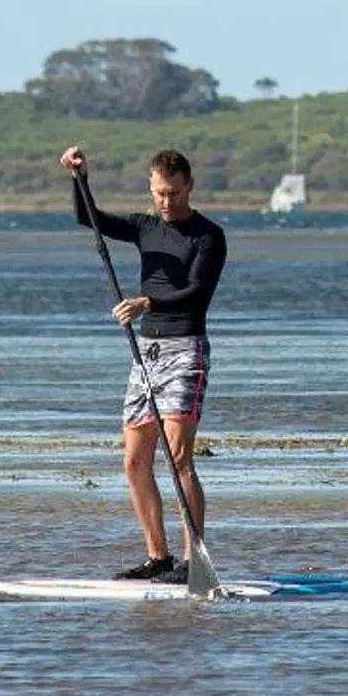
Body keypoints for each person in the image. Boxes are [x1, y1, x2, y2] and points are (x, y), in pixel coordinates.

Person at [61, 145, 228, 583]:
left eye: (173, 193)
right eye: (159, 193)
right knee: (135, 461)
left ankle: (195, 561)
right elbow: (89, 218)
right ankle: (159, 558)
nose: (166, 202)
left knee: (178, 458)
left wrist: (146, 302)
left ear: (189, 186)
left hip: (185, 349)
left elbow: (196, 293)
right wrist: (80, 178)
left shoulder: (209, 236)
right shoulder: (144, 227)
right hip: (147, 354)